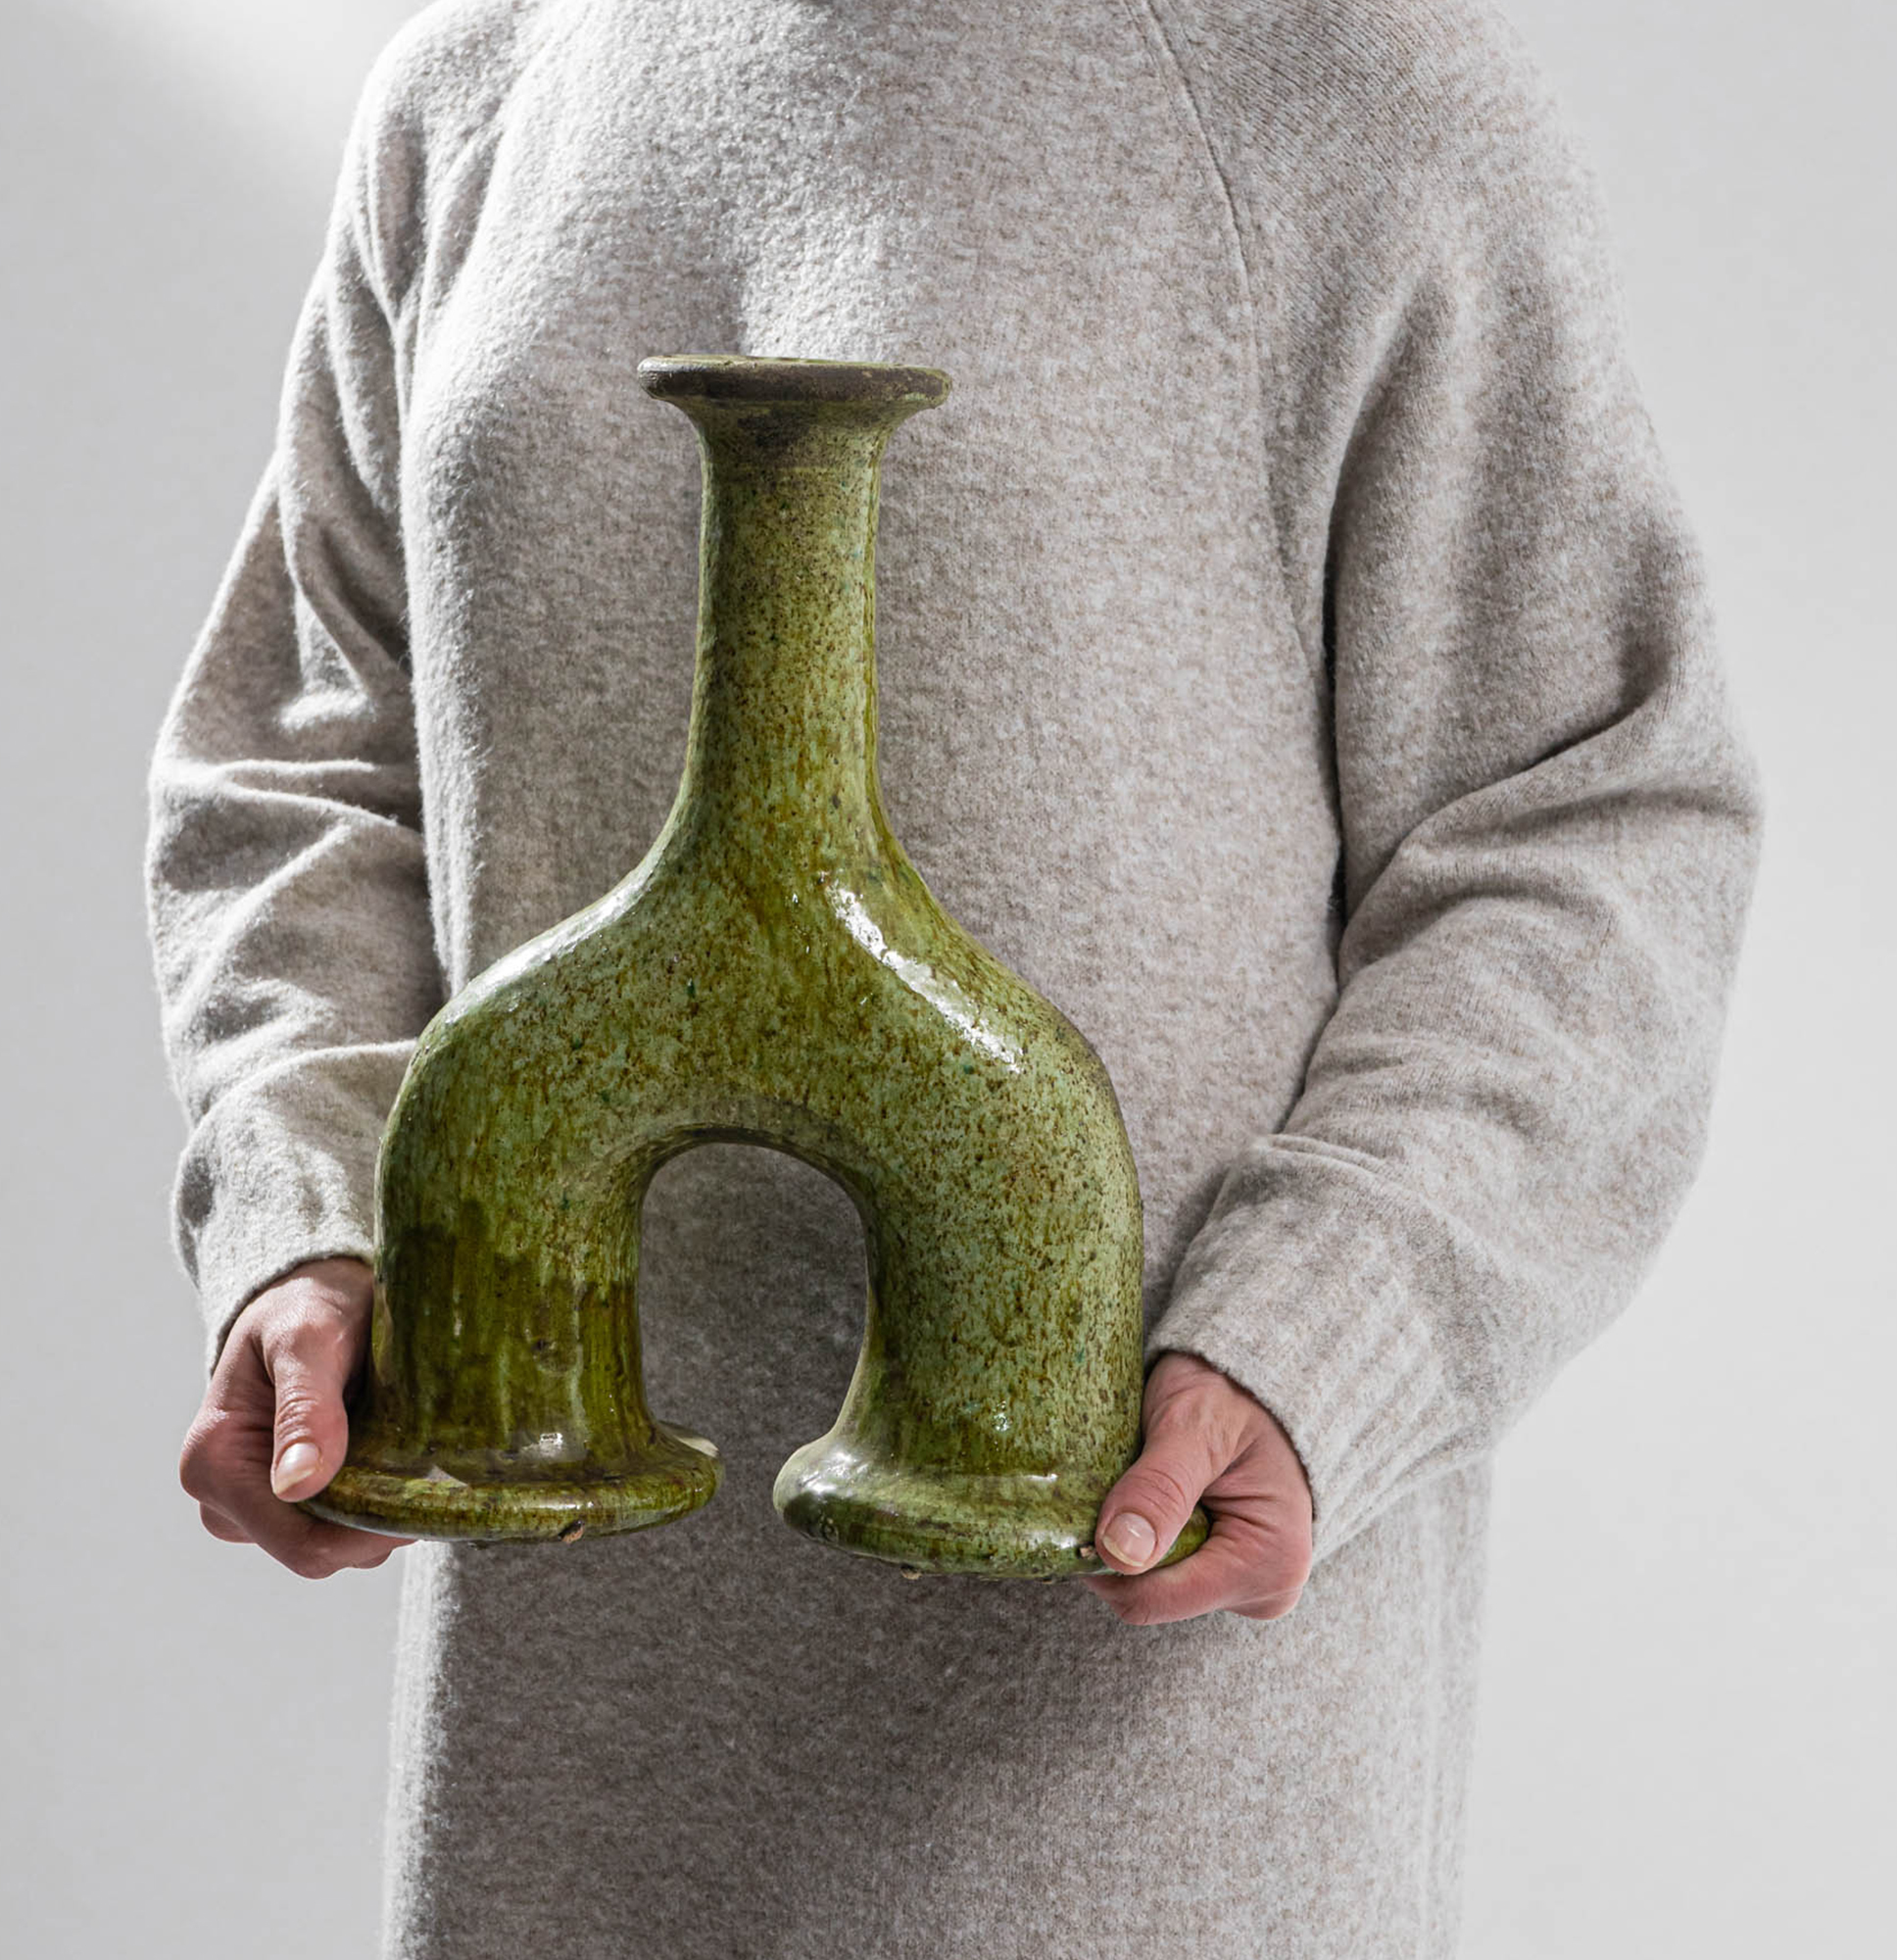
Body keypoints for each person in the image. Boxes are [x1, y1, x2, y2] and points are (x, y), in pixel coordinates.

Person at [148, 1, 1762, 1952]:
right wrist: (308, 1223)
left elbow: (1586, 815)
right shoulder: (476, 90)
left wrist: (1324, 1325)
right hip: (554, 1765)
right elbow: (311, 761)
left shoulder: (1351, 90)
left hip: (1130, 1740)